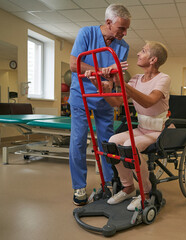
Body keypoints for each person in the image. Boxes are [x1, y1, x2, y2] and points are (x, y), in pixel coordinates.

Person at [85, 41, 170, 211]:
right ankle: (128, 187)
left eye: (143, 51)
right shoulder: (136, 78)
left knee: (129, 145)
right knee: (112, 142)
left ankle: (146, 192)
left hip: (159, 131)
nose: (138, 53)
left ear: (153, 59)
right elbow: (116, 102)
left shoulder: (164, 78)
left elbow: (149, 102)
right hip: (142, 129)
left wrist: (121, 85)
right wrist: (99, 85)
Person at [69, 4, 131, 206]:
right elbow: (73, 64)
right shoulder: (86, 33)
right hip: (82, 96)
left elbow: (113, 78)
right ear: (108, 23)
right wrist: (103, 69)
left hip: (104, 98)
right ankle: (79, 186)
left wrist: (108, 76)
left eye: (126, 28)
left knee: (108, 143)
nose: (124, 32)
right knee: (78, 140)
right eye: (121, 28)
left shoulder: (123, 47)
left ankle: (109, 182)